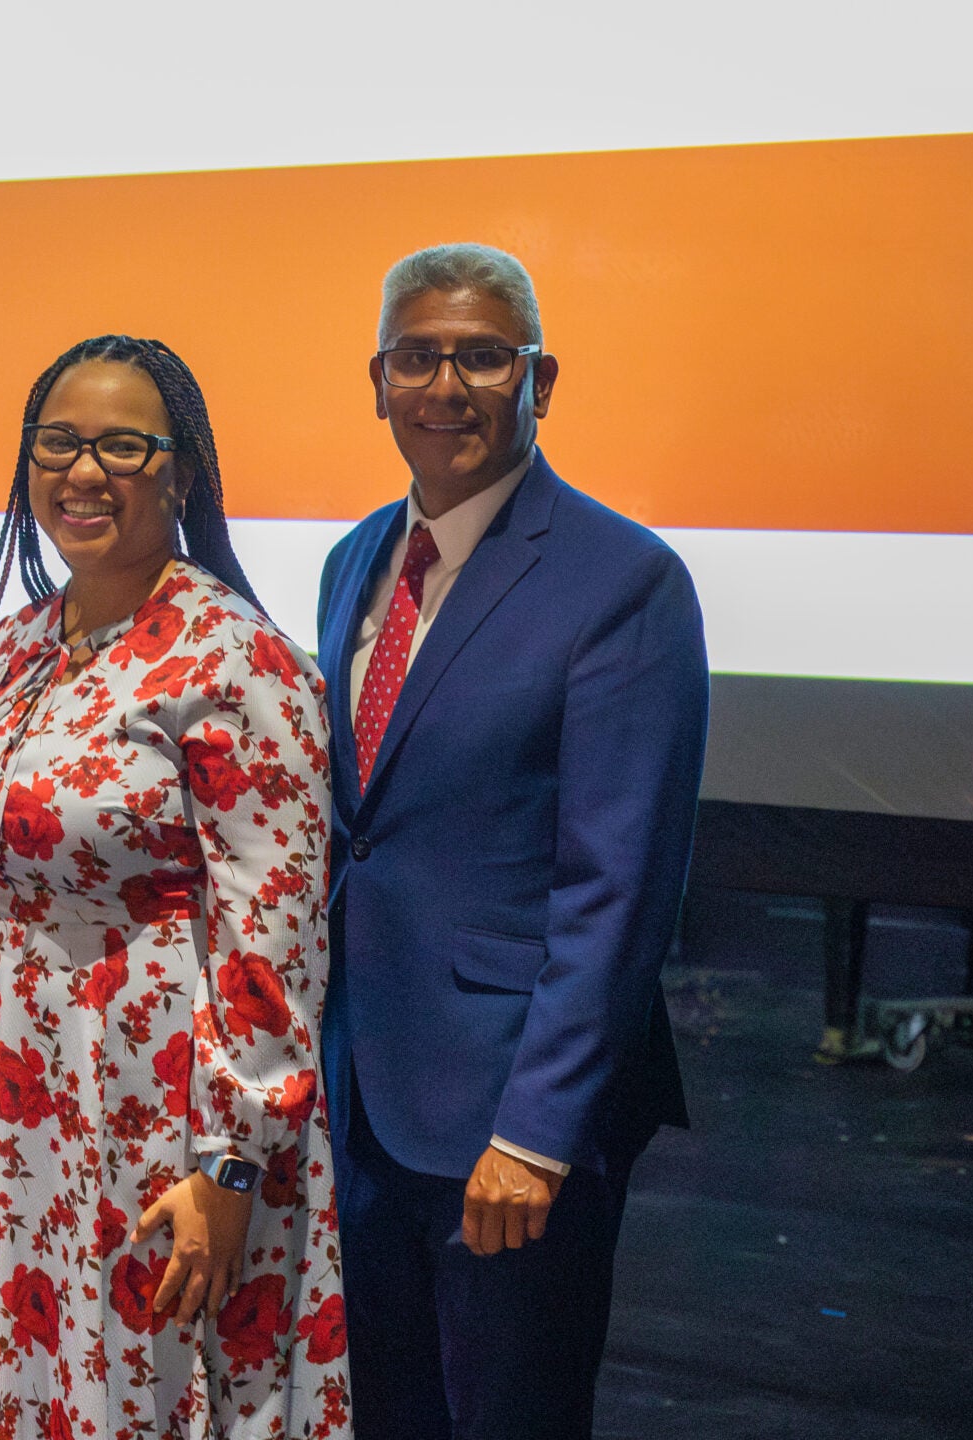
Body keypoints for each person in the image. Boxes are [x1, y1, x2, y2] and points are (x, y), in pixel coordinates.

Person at [315, 243, 706, 1439]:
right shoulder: (353, 558)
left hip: (506, 1118)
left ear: (542, 379)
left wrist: (535, 1132)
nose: (447, 387)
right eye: (417, 358)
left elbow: (617, 890)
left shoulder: (624, 580)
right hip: (359, 1101)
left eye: (483, 357)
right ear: (376, 382)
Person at [0, 336, 351, 1438]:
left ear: (182, 473)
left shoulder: (236, 658)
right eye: (57, 443)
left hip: (163, 1107)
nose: (84, 471)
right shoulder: (21, 642)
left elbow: (275, 930)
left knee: (154, 1382)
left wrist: (232, 1162)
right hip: (19, 1104)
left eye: (123, 446)